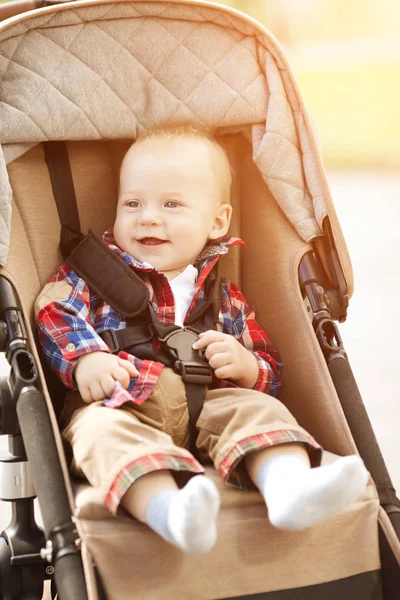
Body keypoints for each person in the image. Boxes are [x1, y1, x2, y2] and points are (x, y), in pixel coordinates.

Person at [36, 125, 368, 555]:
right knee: (99, 432)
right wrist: (86, 359)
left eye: (172, 204)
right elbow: (54, 311)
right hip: (123, 406)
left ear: (217, 222)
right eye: (132, 203)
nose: (148, 217)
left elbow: (269, 365)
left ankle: (289, 490)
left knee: (258, 408)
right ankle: (169, 510)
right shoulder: (92, 274)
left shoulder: (223, 295)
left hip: (209, 406)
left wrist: (248, 368)